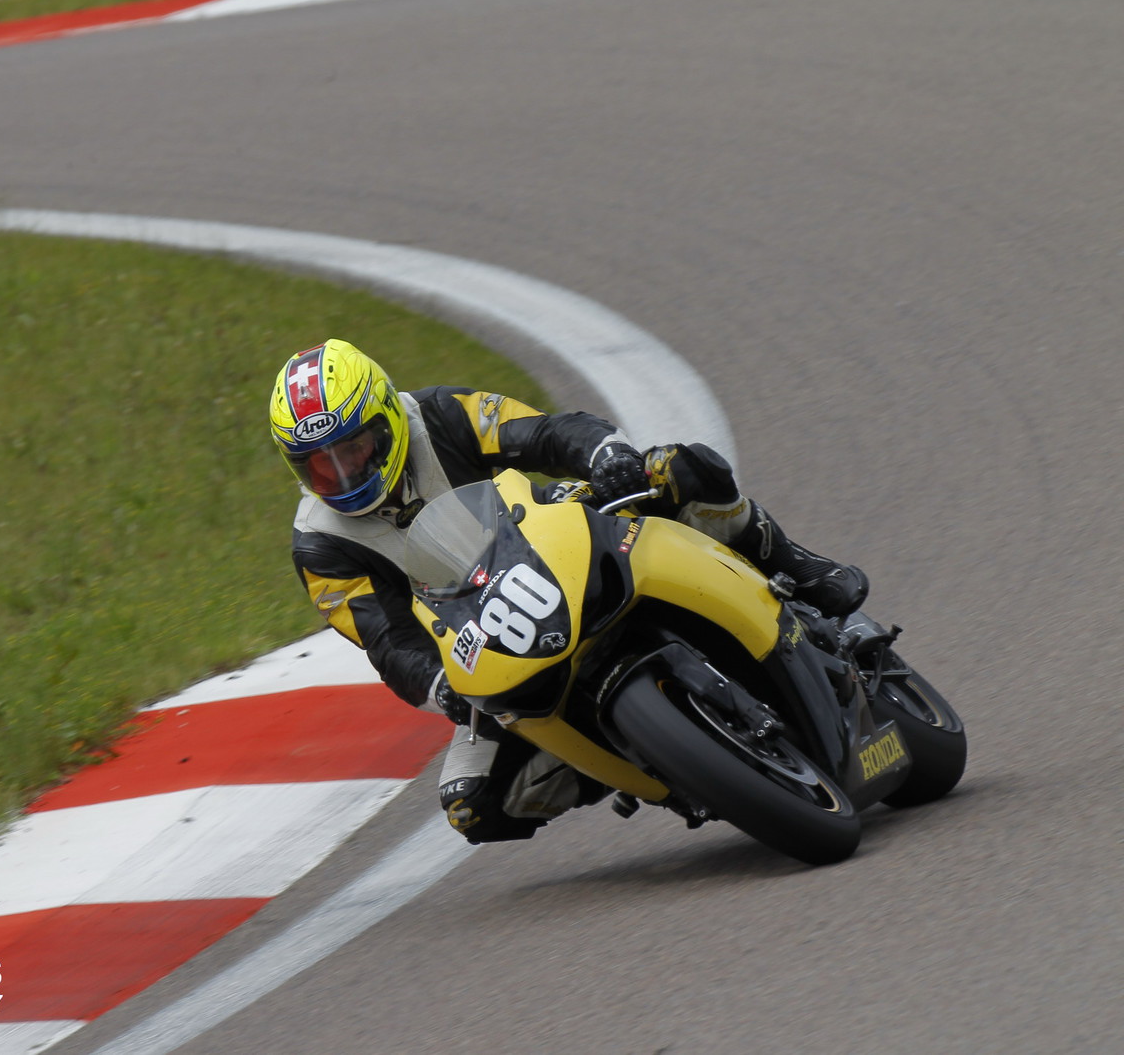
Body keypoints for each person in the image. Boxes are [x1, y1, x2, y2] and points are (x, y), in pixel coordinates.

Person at [270, 339, 867, 844]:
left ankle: (793, 564)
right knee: (473, 806)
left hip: (550, 541)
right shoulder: (319, 546)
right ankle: (632, 757)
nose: (344, 474)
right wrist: (440, 687)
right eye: (319, 465)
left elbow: (547, 434)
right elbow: (387, 642)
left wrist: (605, 455)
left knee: (674, 470)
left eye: (352, 449)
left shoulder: (442, 415)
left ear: (386, 419)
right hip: (488, 639)